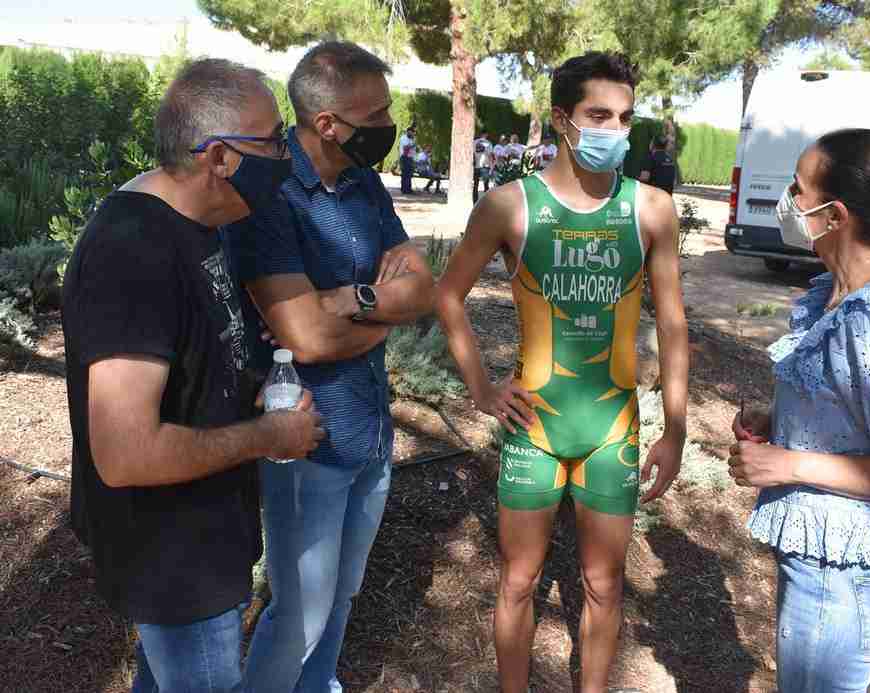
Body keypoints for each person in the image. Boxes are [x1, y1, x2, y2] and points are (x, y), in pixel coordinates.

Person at [62, 59, 324, 693]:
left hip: (203, 540)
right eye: (271, 141)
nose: (286, 154)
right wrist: (268, 437)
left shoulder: (201, 227)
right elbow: (124, 454)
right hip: (175, 561)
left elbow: (192, 356)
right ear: (219, 157)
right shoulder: (133, 253)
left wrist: (251, 379)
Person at [435, 51, 688, 693]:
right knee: (519, 580)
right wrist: (482, 389)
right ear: (560, 119)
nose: (615, 131)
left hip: (614, 430)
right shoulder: (509, 206)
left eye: (625, 117)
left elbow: (675, 323)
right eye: (598, 115)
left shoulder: (652, 208)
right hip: (534, 430)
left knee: (605, 585)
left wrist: (677, 428)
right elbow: (447, 295)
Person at [224, 41, 435, 693]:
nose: (388, 125)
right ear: (328, 124)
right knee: (300, 611)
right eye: (376, 114)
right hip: (306, 440)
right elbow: (305, 340)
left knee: (342, 595)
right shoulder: (269, 195)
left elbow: (422, 287)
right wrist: (378, 314)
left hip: (370, 431)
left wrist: (355, 298)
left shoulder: (365, 183)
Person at [730, 128, 870, 693]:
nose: (788, 200)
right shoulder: (836, 298)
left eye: (799, 188)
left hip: (846, 577)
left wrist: (790, 464)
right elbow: (855, 414)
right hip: (822, 567)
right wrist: (781, 421)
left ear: (836, 215)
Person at [474, 132, 494, 202]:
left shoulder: (474, 142)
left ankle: (475, 202)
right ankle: (486, 202)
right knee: (486, 185)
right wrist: (492, 167)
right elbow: (490, 155)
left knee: (475, 185)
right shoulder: (488, 143)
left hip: (476, 166)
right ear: (486, 134)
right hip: (485, 166)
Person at [399, 123, 417, 194]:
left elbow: (413, 150)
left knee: (409, 174)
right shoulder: (403, 138)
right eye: (412, 133)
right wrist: (412, 145)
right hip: (404, 158)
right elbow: (405, 148)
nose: (413, 134)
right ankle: (404, 189)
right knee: (405, 174)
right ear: (408, 132)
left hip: (410, 158)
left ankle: (408, 189)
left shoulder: (412, 139)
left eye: (414, 133)